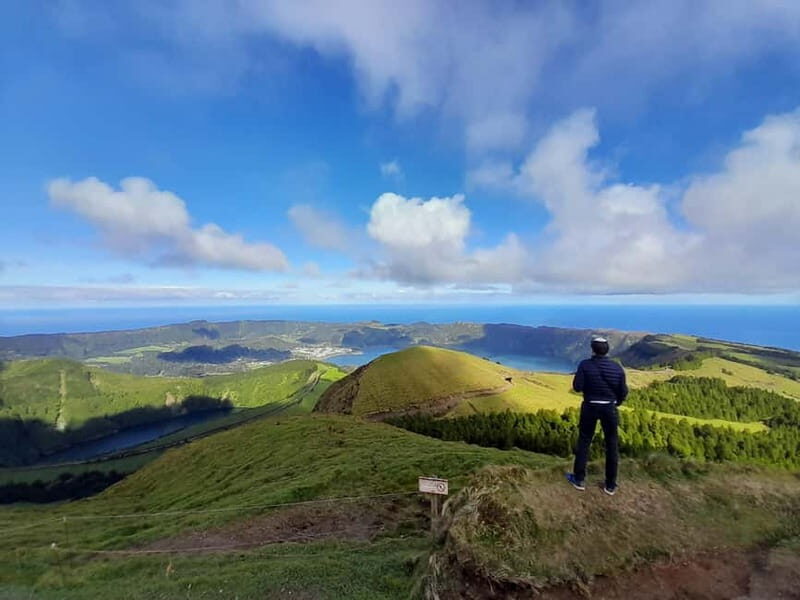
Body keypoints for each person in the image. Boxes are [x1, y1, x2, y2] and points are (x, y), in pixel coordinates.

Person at [566, 336, 628, 496]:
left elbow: (577, 387)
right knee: (612, 444)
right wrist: (616, 403)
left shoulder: (585, 365)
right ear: (607, 350)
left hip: (590, 405)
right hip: (609, 407)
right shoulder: (616, 367)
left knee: (585, 441)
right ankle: (610, 485)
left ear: (592, 349)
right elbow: (623, 391)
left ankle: (579, 479)